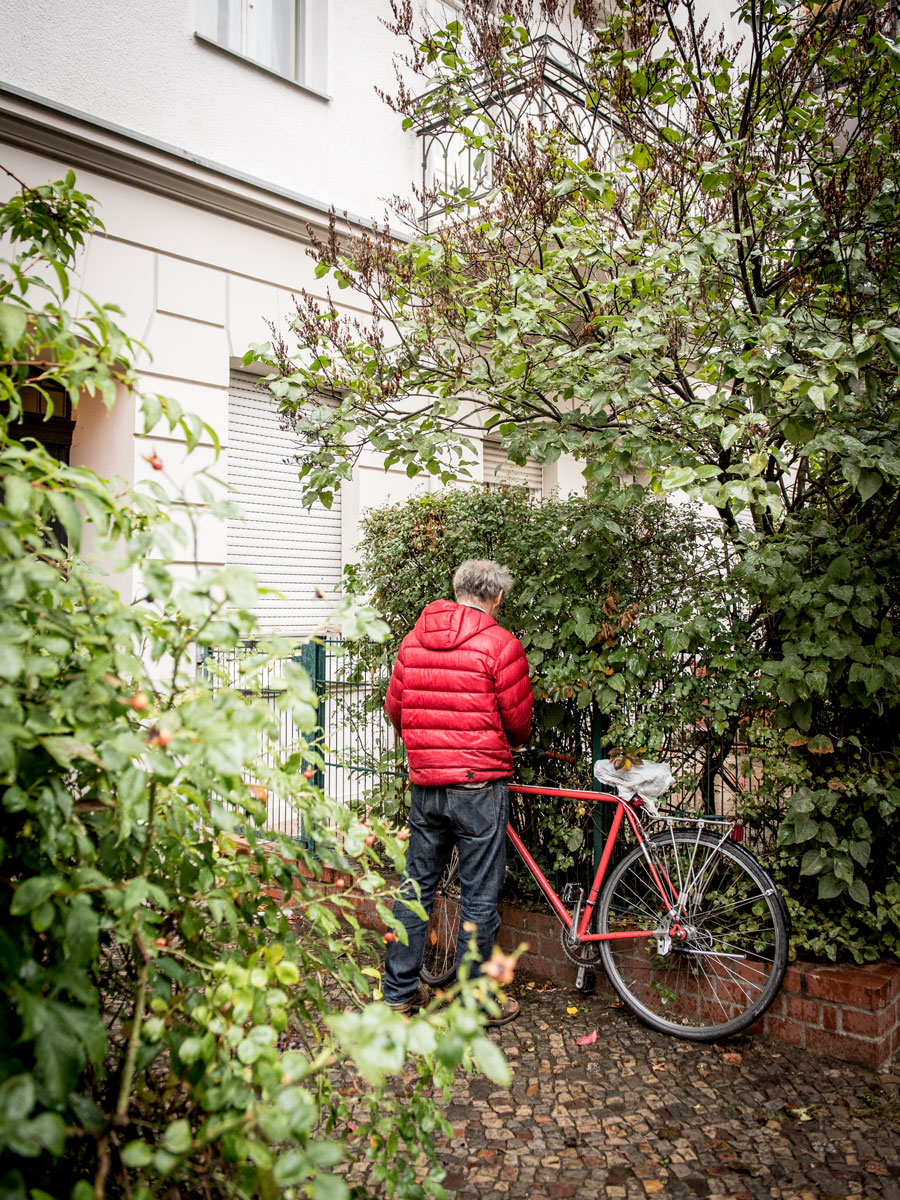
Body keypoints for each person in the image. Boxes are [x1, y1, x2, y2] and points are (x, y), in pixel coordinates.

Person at [382, 559, 534, 1024]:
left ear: (457, 589)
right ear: (497, 597)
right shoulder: (499, 644)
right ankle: (472, 1005)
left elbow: (396, 710)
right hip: (479, 787)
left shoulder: (414, 641)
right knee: (479, 896)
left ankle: (398, 996)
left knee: (415, 888)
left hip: (427, 784)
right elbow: (518, 724)